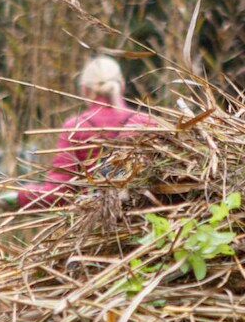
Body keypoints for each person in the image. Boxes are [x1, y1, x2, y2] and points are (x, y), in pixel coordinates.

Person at [16, 56, 157, 209]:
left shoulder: (76, 128)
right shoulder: (148, 122)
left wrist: (19, 195)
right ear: (122, 85)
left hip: (98, 225)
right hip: (150, 224)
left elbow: (58, 194)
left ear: (84, 89)